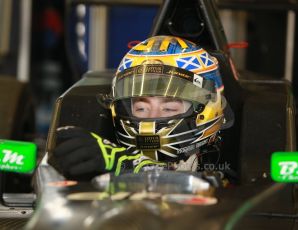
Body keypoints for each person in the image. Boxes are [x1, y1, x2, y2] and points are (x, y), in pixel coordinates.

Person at [52, 35, 233, 180]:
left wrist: (123, 163)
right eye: (141, 108)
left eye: (169, 108)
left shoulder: (228, 167)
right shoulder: (103, 155)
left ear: (209, 108)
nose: (151, 118)